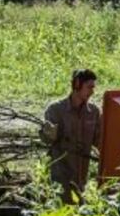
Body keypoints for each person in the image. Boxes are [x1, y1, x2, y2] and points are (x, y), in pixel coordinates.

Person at [41, 69, 102, 204]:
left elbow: (100, 142)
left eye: (93, 87)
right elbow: (46, 140)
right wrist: (49, 133)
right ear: (77, 85)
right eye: (89, 87)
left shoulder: (93, 112)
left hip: (81, 179)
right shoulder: (55, 110)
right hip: (60, 177)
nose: (92, 92)